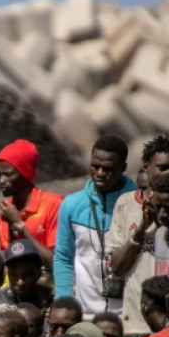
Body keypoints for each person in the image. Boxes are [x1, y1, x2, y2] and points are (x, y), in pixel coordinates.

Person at [107, 134, 169, 337]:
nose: (168, 174)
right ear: (146, 167)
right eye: (162, 168)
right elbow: (116, 267)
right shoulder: (126, 205)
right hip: (136, 322)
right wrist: (141, 230)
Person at [55, 135, 137, 319]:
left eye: (108, 169)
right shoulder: (71, 205)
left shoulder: (138, 204)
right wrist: (63, 303)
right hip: (84, 316)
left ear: (123, 168)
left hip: (128, 317)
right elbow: (63, 258)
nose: (99, 173)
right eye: (95, 166)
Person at [0, 139, 63, 267]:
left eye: (8, 174)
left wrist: (18, 224)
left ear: (24, 173)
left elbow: (57, 264)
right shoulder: (4, 212)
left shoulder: (53, 205)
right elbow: (11, 264)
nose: (2, 180)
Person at [0, 239, 53, 308]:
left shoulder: (48, 297)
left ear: (39, 273)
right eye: (14, 276)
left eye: (27, 276)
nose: (20, 283)